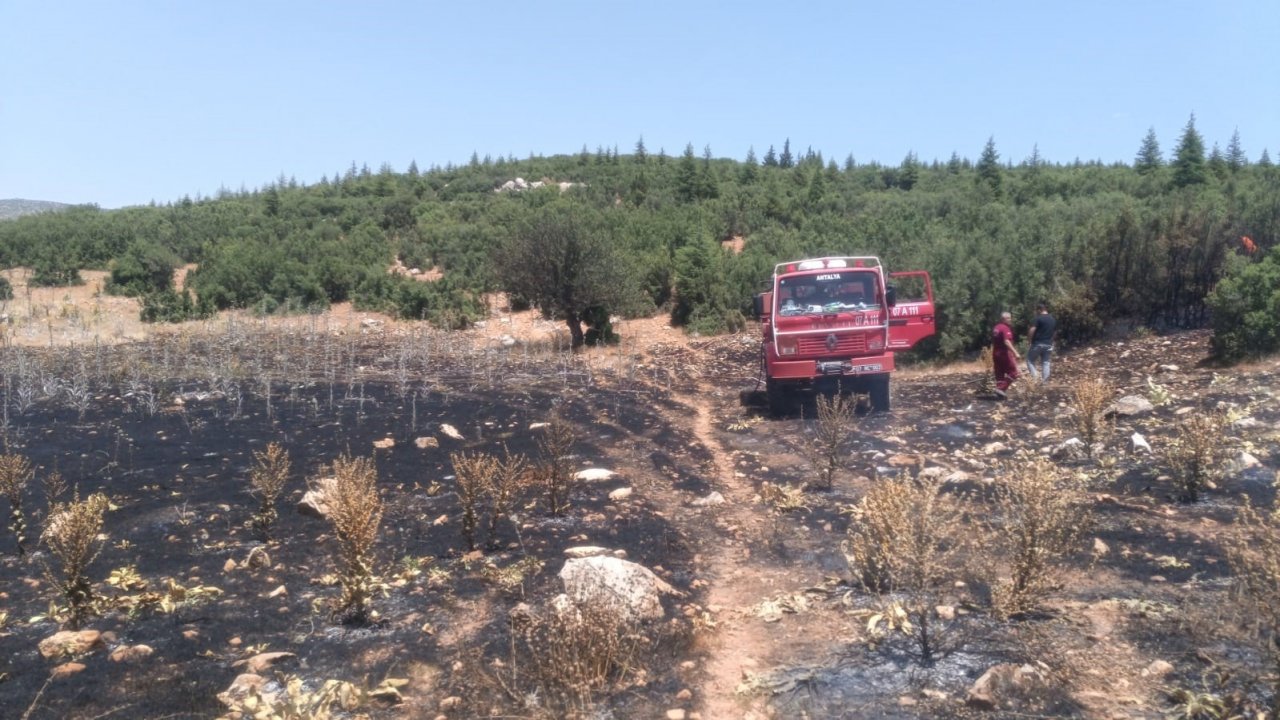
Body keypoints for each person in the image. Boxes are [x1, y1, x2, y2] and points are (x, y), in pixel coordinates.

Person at [991, 311, 1020, 399]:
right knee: (1014, 373)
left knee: (999, 373)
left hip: (996, 353)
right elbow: (1006, 341)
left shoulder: (996, 327)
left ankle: (999, 394)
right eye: (1009, 318)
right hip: (1004, 353)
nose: (1010, 320)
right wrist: (1015, 352)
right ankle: (1001, 388)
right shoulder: (1005, 328)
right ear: (1004, 319)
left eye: (1010, 318)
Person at [1026, 303, 1057, 382]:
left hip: (1038, 343)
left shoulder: (1038, 318)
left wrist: (1029, 341)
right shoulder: (1052, 319)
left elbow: (1032, 330)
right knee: (1046, 362)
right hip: (1048, 344)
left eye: (1037, 310)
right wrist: (1052, 341)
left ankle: (1036, 377)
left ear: (1039, 310)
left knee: (1029, 360)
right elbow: (1055, 332)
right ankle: (1045, 382)